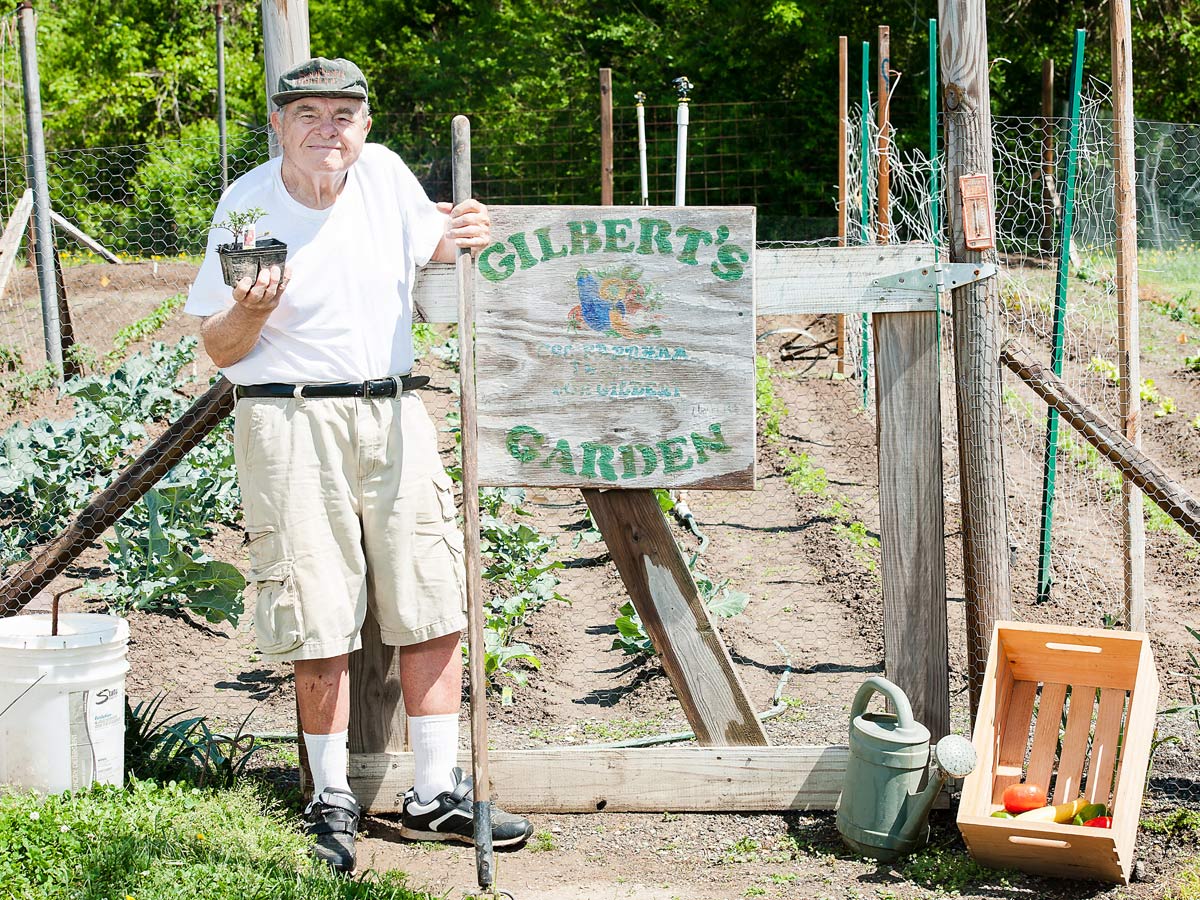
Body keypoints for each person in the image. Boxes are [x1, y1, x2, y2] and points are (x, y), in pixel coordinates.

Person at [185, 56, 532, 874]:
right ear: (278, 125)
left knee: (431, 592)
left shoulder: (384, 176)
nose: (326, 128)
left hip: (395, 408)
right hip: (288, 415)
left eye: (343, 113)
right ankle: (331, 795)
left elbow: (434, 244)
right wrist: (250, 309)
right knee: (315, 604)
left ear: (365, 126)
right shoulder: (249, 208)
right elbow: (219, 349)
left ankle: (435, 792)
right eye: (306, 113)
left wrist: (462, 234)